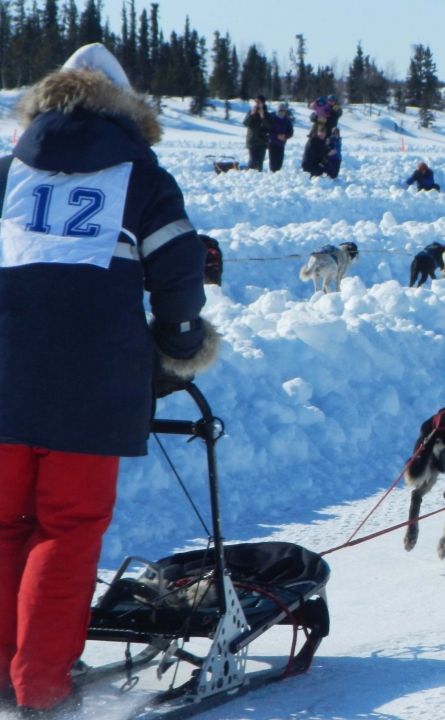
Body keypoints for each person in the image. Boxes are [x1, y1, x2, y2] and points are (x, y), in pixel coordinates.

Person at [0, 43, 217, 714]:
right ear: (124, 107)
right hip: (92, 389)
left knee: (5, 526)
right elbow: (179, 277)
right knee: (67, 529)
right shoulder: (142, 177)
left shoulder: (9, 171)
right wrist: (180, 346)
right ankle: (40, 687)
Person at [242, 95, 271, 171]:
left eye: (259, 101)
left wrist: (262, 117)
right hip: (252, 141)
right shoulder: (251, 112)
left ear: (263, 103)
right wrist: (252, 114)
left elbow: (269, 127)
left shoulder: (267, 114)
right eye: (256, 101)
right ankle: (249, 174)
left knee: (259, 163)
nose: (257, 103)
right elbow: (245, 123)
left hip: (262, 142)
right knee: (252, 161)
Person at [268, 103, 294, 173]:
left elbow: (291, 132)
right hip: (272, 143)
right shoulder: (273, 118)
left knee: (279, 162)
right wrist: (277, 136)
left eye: (283, 110)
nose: (282, 112)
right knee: (273, 162)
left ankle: (277, 173)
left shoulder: (287, 120)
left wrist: (285, 136)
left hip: (281, 144)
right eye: (280, 110)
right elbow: (268, 131)